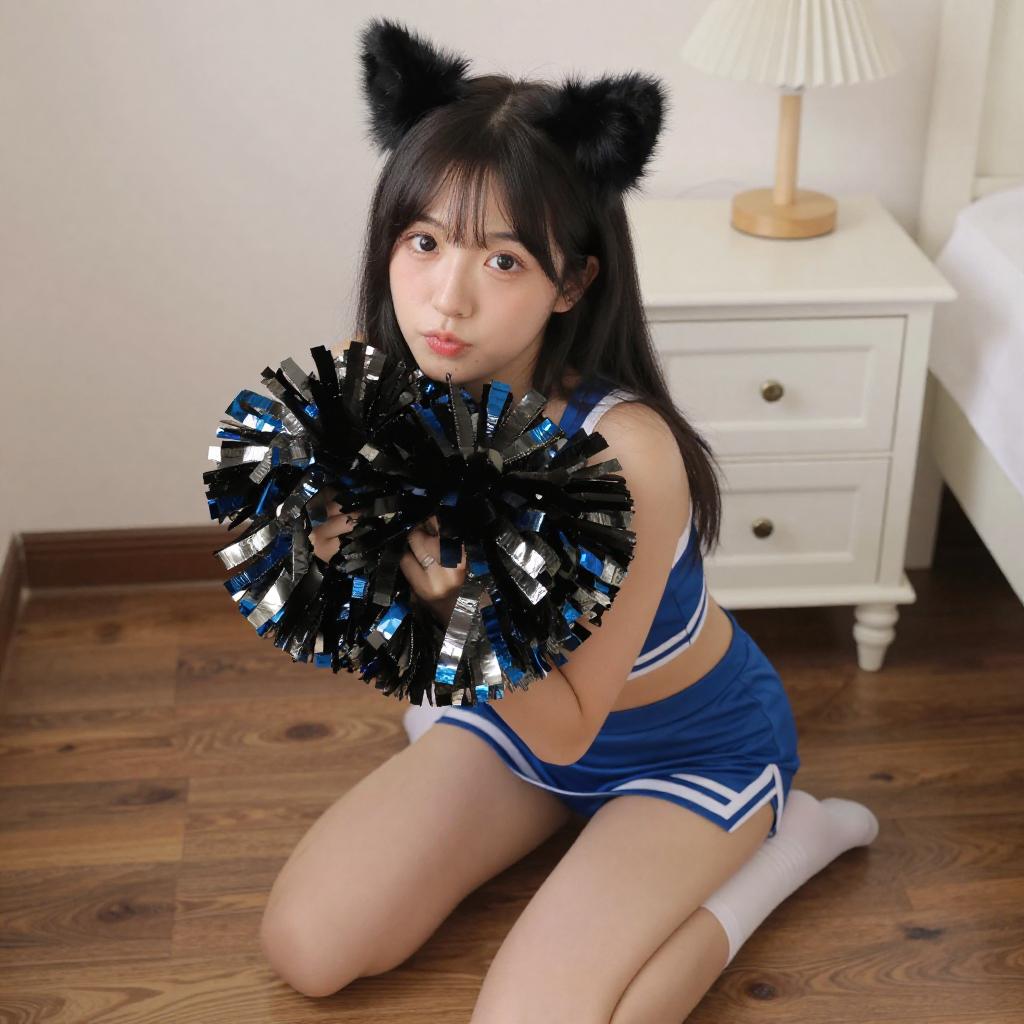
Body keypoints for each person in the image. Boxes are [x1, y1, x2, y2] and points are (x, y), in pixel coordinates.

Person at [259, 17, 879, 1020]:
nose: (446, 299)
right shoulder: (396, 395)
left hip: (679, 746)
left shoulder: (625, 454)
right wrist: (338, 548)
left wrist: (442, 597)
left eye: (503, 261)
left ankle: (787, 841)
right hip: (518, 730)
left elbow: (569, 718)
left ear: (573, 281)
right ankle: (547, 817)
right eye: (423, 242)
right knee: (307, 948)